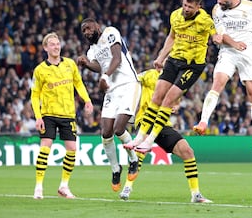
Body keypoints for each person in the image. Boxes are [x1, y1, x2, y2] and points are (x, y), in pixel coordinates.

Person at [123, 0, 216, 153]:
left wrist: (221, 38)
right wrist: (160, 57)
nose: (186, 9)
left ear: (198, 7)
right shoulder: (175, 15)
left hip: (192, 65)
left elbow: (217, 35)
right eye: (185, 5)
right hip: (174, 60)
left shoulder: (205, 21)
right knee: (157, 95)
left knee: (168, 100)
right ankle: (140, 137)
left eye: (190, 7)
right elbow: (172, 37)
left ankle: (150, 140)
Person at [193, 0, 252, 152]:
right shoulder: (217, 11)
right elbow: (221, 35)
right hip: (228, 52)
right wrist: (234, 43)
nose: (218, 1)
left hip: (247, 53)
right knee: (218, 83)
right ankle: (203, 121)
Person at [119, 69, 212, 203]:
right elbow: (132, 80)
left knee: (187, 151)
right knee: (140, 150)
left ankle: (196, 194)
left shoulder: (175, 80)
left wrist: (176, 105)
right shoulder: (149, 74)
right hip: (145, 119)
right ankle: (127, 187)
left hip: (163, 123)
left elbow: (177, 100)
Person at [77, 18, 140, 192]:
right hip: (112, 91)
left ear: (97, 26)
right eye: (83, 31)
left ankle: (133, 159)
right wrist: (86, 64)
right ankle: (115, 168)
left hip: (128, 84)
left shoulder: (110, 32)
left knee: (119, 129)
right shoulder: (91, 50)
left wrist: (105, 77)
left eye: (88, 28)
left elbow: (117, 58)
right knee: (106, 132)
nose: (87, 32)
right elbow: (98, 66)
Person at [31, 32, 94, 199]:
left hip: (68, 114)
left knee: (72, 149)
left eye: (57, 43)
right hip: (48, 114)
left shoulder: (70, 64)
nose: (56, 47)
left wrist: (87, 100)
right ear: (45, 48)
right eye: (52, 44)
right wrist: (38, 117)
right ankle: (38, 187)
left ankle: (64, 186)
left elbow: (78, 83)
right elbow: (35, 95)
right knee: (45, 147)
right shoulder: (40, 70)